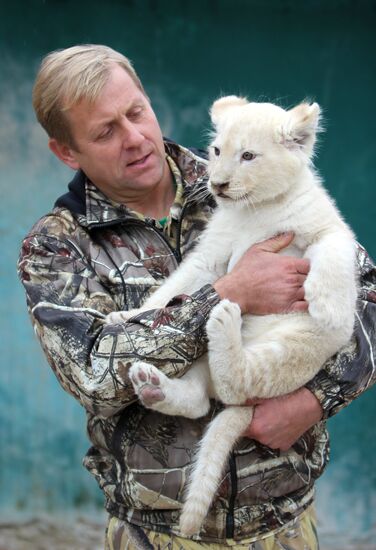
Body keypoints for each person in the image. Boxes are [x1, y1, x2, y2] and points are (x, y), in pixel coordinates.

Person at [18, 44, 376, 550]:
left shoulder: (247, 171)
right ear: (67, 151)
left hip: (284, 521)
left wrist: (315, 399)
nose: (135, 138)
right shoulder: (56, 247)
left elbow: (368, 302)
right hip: (152, 533)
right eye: (105, 131)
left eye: (136, 111)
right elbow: (94, 377)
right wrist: (228, 295)